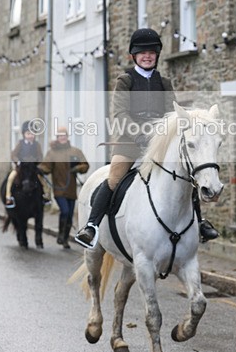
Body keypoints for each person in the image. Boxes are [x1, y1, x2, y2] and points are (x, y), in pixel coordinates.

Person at [76, 27, 219, 249]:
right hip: (130, 142)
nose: (147, 56)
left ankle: (199, 222)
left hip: (159, 143)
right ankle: (92, 226)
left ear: (157, 56)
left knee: (186, 176)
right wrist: (140, 134)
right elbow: (120, 114)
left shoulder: (164, 83)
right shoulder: (126, 80)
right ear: (134, 55)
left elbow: (172, 115)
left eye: (151, 52)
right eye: (142, 52)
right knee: (114, 179)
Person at [38, 126, 89, 248]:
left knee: (70, 215)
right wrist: (39, 169)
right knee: (65, 211)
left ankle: (65, 239)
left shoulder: (75, 151)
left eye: (64, 135)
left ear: (67, 137)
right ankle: (60, 235)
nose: (62, 137)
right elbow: (46, 167)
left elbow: (85, 165)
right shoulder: (52, 153)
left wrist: (78, 168)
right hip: (59, 189)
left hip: (71, 189)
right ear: (57, 138)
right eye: (60, 136)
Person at [5, 121, 51, 208]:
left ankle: (46, 196)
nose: (30, 136)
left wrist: (37, 162)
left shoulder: (37, 145)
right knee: (11, 178)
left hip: (33, 168)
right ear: (24, 134)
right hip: (21, 168)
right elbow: (13, 154)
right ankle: (8, 197)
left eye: (33, 134)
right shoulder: (20, 143)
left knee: (43, 181)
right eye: (28, 133)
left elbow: (40, 156)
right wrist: (18, 161)